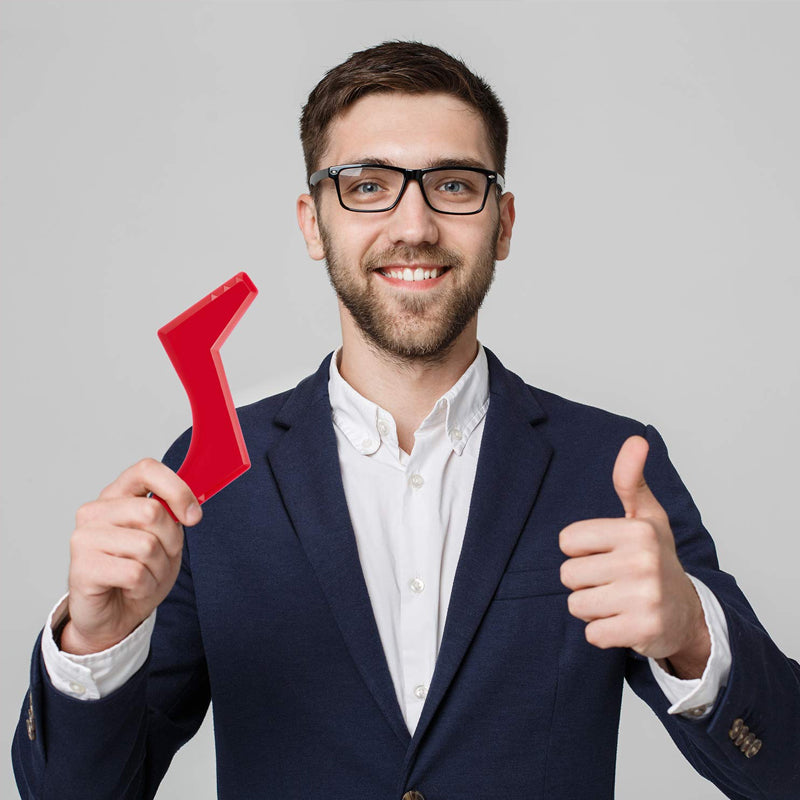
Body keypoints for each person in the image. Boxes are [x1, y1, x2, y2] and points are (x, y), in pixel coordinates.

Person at [12, 41, 799, 800]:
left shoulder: (610, 467)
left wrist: (694, 638)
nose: (414, 225)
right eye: (367, 184)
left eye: (454, 185)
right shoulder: (213, 475)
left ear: (505, 221)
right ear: (313, 222)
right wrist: (96, 643)